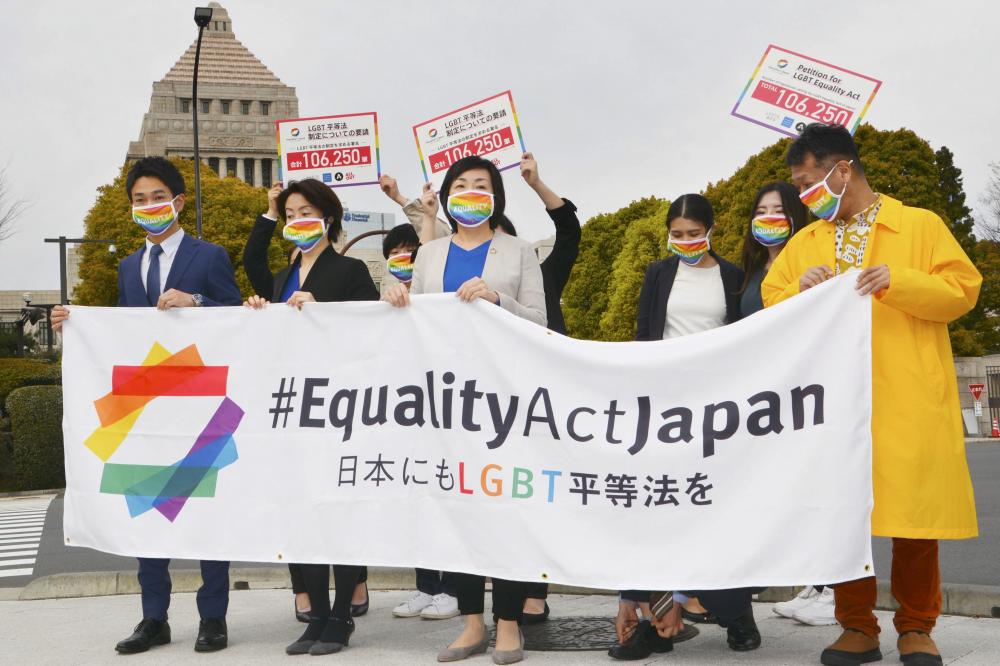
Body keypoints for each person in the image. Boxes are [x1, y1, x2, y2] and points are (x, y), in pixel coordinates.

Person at [762, 123, 982, 666]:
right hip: (835, 402)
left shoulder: (919, 225)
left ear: (842, 170)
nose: (803, 194)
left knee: (915, 521)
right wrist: (798, 290)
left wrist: (897, 281)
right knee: (843, 517)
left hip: (905, 394)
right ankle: (857, 627)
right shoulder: (806, 242)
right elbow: (770, 303)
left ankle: (917, 627)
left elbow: (962, 290)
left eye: (807, 182)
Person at [51, 156, 242, 654]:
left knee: (204, 509)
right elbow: (121, 333)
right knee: (147, 510)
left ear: (178, 202)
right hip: (146, 406)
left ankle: (213, 617)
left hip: (198, 399)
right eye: (140, 200)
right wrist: (75, 324)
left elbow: (238, 316)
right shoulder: (127, 266)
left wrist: (198, 303)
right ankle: (153, 618)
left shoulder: (209, 256)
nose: (149, 206)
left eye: (158, 197)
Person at [382, 155, 545, 664]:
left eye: (481, 184)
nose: (470, 192)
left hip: (502, 401)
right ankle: (473, 623)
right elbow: (414, 322)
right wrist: (396, 296)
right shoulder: (429, 254)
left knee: (507, 511)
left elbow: (540, 321)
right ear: (448, 197)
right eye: (461, 185)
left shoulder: (519, 251)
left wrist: (498, 300)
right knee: (460, 513)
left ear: (496, 196)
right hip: (446, 403)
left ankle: (509, 624)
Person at [619, 194, 759, 660]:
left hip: (718, 408)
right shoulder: (658, 274)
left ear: (711, 230)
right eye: (676, 234)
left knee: (717, 507)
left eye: (694, 233)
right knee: (662, 505)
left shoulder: (733, 277)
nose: (685, 241)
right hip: (666, 407)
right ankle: (660, 616)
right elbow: (645, 334)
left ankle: (736, 613)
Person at [243, 178, 379, 656]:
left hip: (338, 408)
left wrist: (323, 310)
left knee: (338, 513)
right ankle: (316, 614)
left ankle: (341, 615)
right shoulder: (283, 276)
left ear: (328, 218)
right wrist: (260, 309)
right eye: (290, 214)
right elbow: (252, 265)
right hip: (292, 408)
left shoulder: (350, 269)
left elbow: (373, 329)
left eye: (306, 212)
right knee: (302, 513)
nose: (297, 220)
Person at [737, 181, 809, 317]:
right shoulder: (752, 268)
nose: (768, 217)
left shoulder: (809, 262)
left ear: (796, 214)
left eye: (779, 211)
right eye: (761, 212)